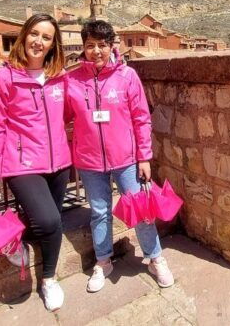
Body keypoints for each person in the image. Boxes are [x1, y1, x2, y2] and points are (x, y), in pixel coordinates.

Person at [65, 20, 174, 292]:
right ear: (83, 48)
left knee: (140, 210)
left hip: (126, 159)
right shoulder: (72, 80)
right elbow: (62, 115)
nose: (97, 51)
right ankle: (103, 262)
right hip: (89, 161)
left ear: (112, 46)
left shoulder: (127, 77)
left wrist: (144, 157)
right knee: (99, 212)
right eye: (90, 45)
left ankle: (155, 257)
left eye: (102, 45)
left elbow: (141, 118)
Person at [0, 13, 70, 311]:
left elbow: (72, 109)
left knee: (47, 222)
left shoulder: (60, 77)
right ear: (23, 36)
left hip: (59, 163)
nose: (39, 41)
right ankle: (49, 278)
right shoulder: (3, 78)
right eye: (34, 34)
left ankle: (15, 239)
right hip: (21, 165)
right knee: (49, 220)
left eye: (46, 37)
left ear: (53, 44)